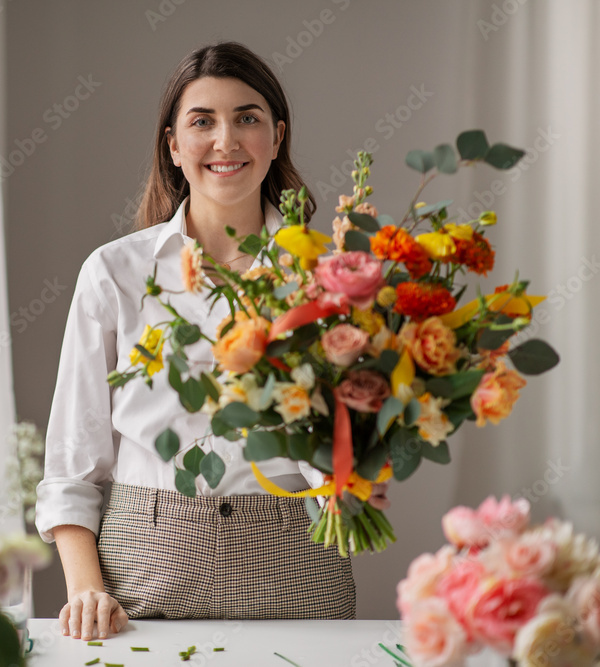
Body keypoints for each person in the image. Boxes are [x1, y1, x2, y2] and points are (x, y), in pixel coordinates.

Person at [34, 41, 387, 642]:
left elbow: (362, 448)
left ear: (276, 137)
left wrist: (357, 480)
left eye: (247, 118)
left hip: (299, 571)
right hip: (140, 576)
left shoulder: (329, 277)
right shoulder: (115, 273)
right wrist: (85, 589)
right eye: (202, 122)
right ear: (173, 146)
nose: (226, 141)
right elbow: (74, 459)